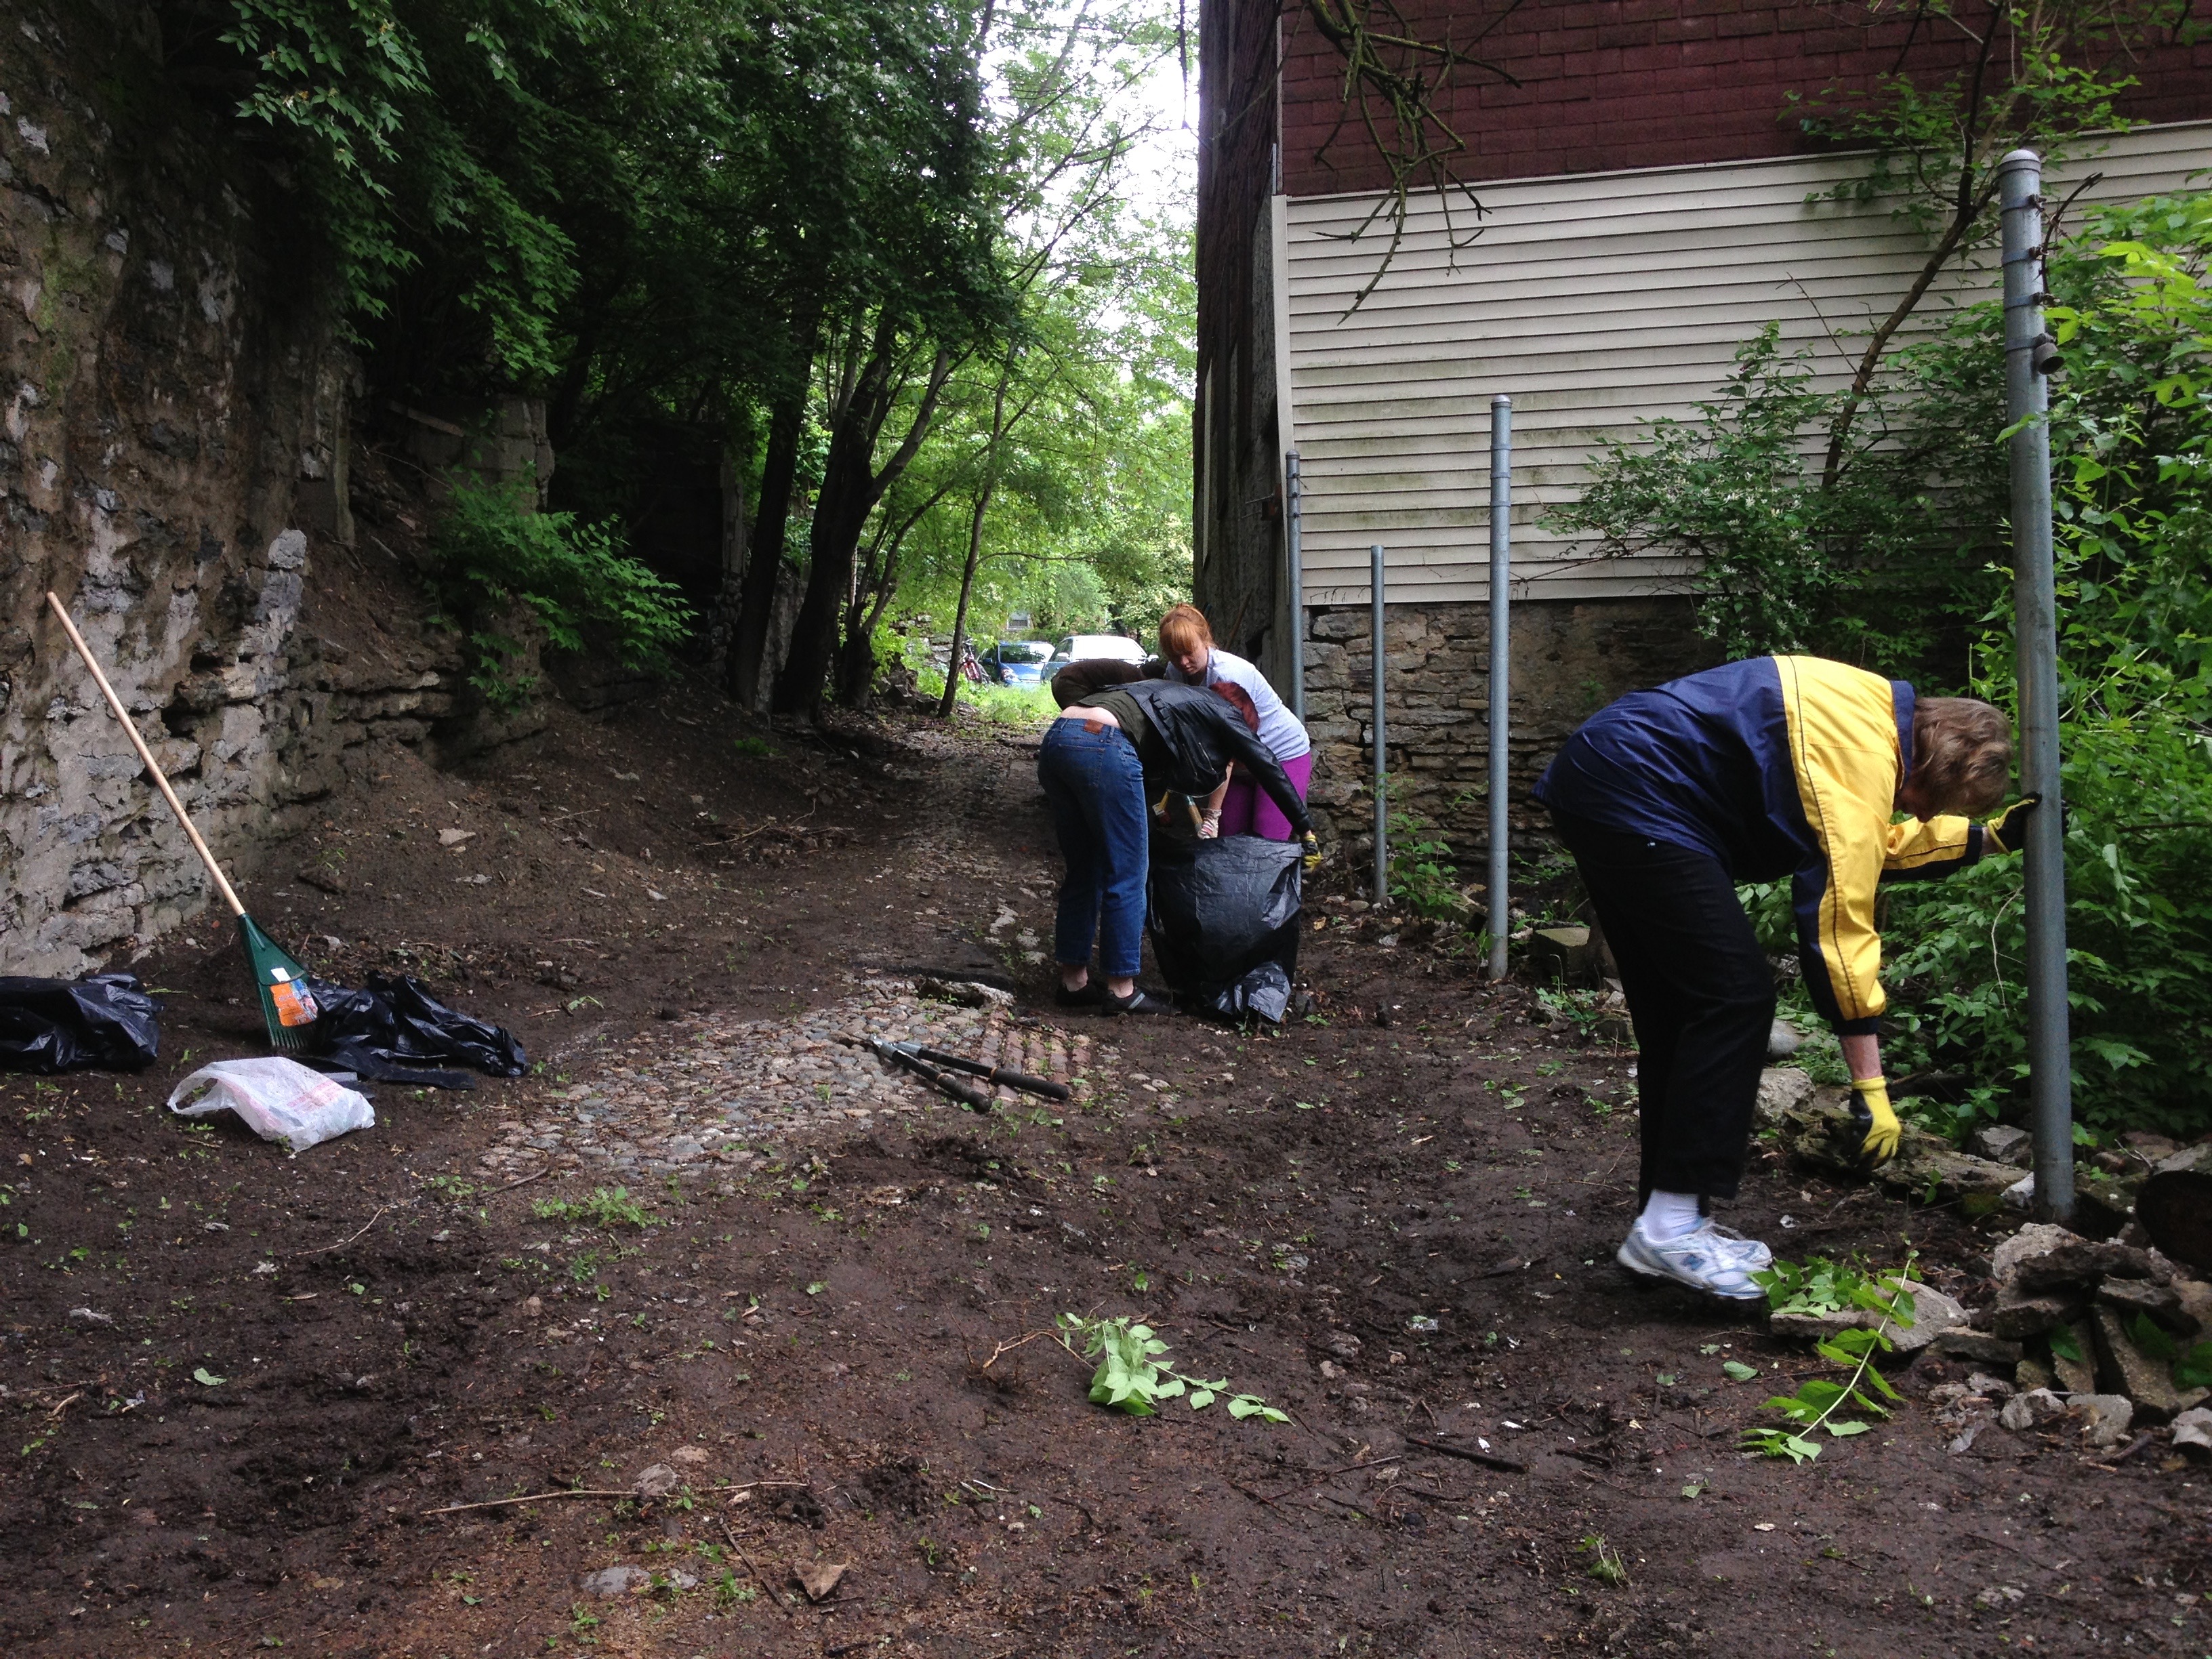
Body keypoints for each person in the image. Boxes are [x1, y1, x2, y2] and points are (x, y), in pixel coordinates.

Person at [1532, 655, 2036, 1300]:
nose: (1909, 811)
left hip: (1609, 775)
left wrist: (1986, 839)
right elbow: (1840, 922)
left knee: (1681, 1014)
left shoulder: (1867, 716)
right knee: (1736, 998)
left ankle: (1669, 1222)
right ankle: (1670, 1229)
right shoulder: (1864, 755)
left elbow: (1865, 842)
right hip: (1643, 791)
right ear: (1934, 764)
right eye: (1923, 802)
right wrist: (1871, 1085)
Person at [1042, 678, 1322, 1015]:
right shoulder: (1225, 712)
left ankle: (1073, 982)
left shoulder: (1170, 697)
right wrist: (1305, 828)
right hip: (1105, 743)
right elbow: (1267, 764)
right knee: (1129, 871)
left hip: (1059, 738)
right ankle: (1121, 990)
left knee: (1084, 868)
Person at [1156, 604, 1313, 841]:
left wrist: (1212, 816)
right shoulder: (1175, 673)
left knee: (1266, 842)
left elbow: (1229, 749)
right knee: (1229, 839)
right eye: (1175, 656)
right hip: (1239, 766)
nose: (1184, 662)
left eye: (1189, 652)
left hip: (1280, 754)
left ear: (1205, 640)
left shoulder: (1228, 676)